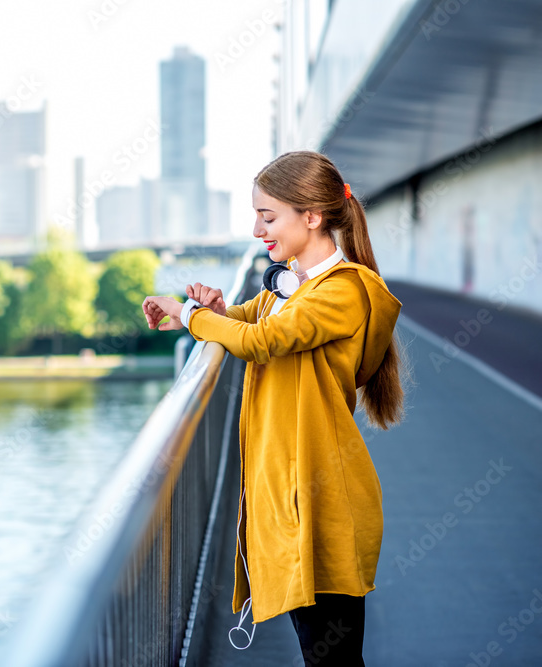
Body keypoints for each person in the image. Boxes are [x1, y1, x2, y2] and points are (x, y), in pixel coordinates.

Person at [142, 151, 408, 666]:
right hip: (294, 497)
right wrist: (206, 312)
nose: (257, 229)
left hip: (326, 500)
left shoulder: (344, 291)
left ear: (312, 217)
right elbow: (244, 322)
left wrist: (192, 315)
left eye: (269, 216)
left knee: (331, 658)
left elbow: (265, 340)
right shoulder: (288, 287)